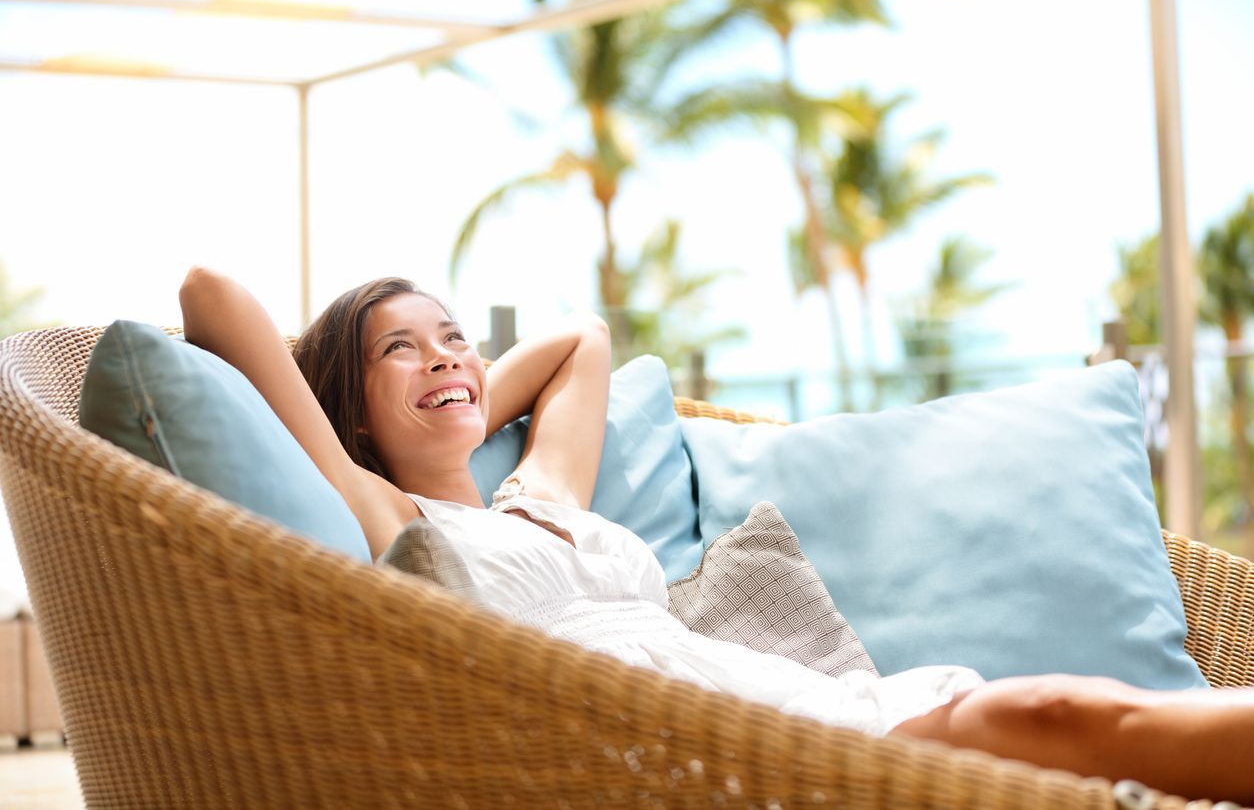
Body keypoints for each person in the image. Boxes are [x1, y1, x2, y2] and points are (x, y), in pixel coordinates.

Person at [179, 265, 1254, 803]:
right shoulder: (392, 520)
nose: (447, 357)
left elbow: (581, 340)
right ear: (349, 411)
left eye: (456, 338)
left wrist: (451, 388)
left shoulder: (539, 496)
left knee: (1062, 729)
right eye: (399, 349)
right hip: (691, 752)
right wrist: (367, 423)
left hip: (783, 703)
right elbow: (208, 296)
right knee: (1060, 714)